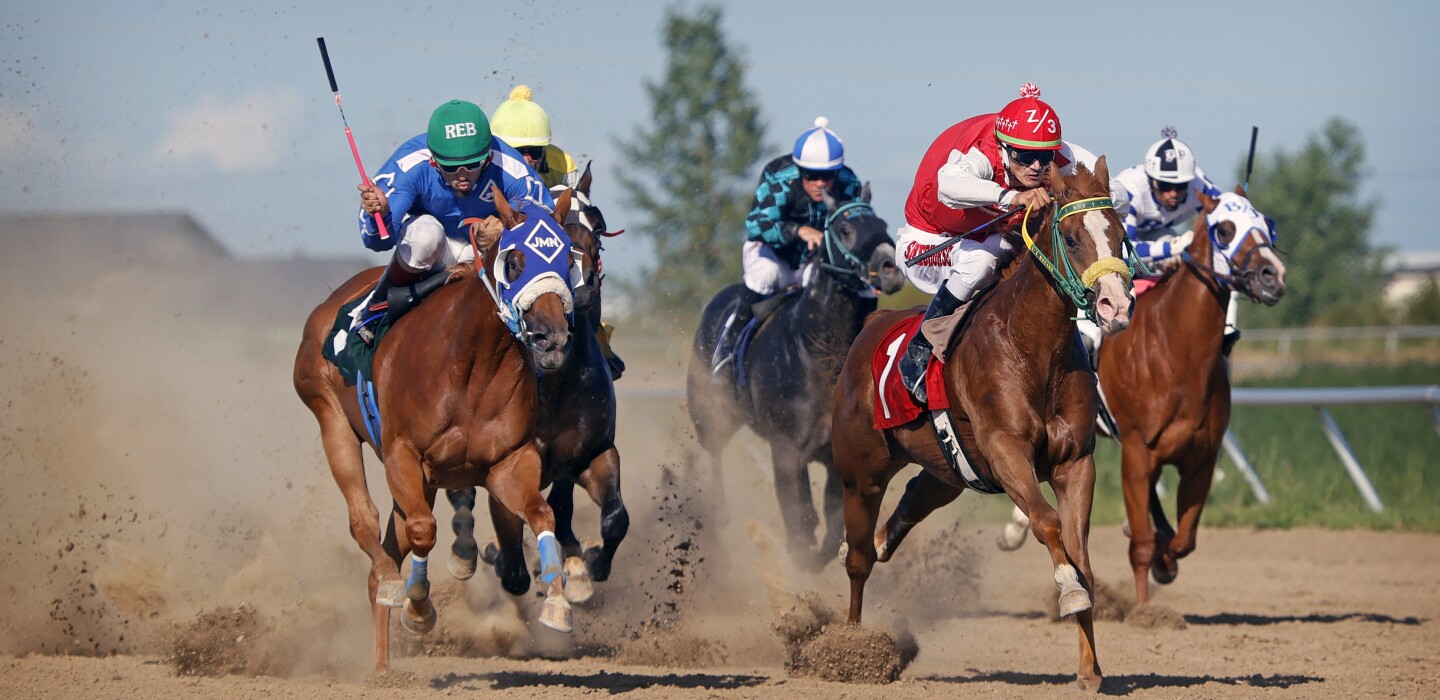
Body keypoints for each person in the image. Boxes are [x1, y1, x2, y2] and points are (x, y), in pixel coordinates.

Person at [894, 83, 1130, 402]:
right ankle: (919, 351)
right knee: (981, 261)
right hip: (929, 241)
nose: (1035, 166)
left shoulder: (1057, 153)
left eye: (1043, 157)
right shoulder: (979, 152)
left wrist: (1089, 201)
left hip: (992, 236)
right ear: (1004, 146)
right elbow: (946, 186)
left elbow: (1120, 192)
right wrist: (1011, 196)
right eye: (1025, 156)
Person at [352, 99, 553, 344]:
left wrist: (509, 229)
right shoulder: (410, 166)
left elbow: (546, 226)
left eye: (473, 165)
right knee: (426, 234)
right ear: (434, 161)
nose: (462, 176)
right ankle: (376, 308)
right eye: (450, 167)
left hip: (485, 253)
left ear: (488, 158)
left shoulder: (510, 167)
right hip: (435, 250)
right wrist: (380, 216)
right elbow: (377, 242)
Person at [711, 117, 865, 370]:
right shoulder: (779, 177)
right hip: (769, 252)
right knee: (766, 275)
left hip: (812, 261)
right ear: (800, 169)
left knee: (854, 287)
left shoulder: (849, 184)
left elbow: (854, 229)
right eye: (812, 175)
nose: (820, 183)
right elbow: (756, 226)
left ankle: (854, 351)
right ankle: (728, 347)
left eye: (828, 176)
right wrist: (798, 230)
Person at [1109, 126, 1241, 354]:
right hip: (1126, 243)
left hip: (1160, 236)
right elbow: (1123, 250)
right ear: (1150, 181)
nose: (1173, 193)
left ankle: (1223, 330)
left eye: (1180, 187)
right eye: (1165, 185)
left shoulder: (1198, 183)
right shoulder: (1129, 189)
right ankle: (1088, 336)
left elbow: (1226, 214)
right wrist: (1171, 248)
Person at [489, 85, 581, 190]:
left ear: (543, 149)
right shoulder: (478, 169)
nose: (526, 160)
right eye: (518, 152)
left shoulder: (564, 165)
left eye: (534, 152)